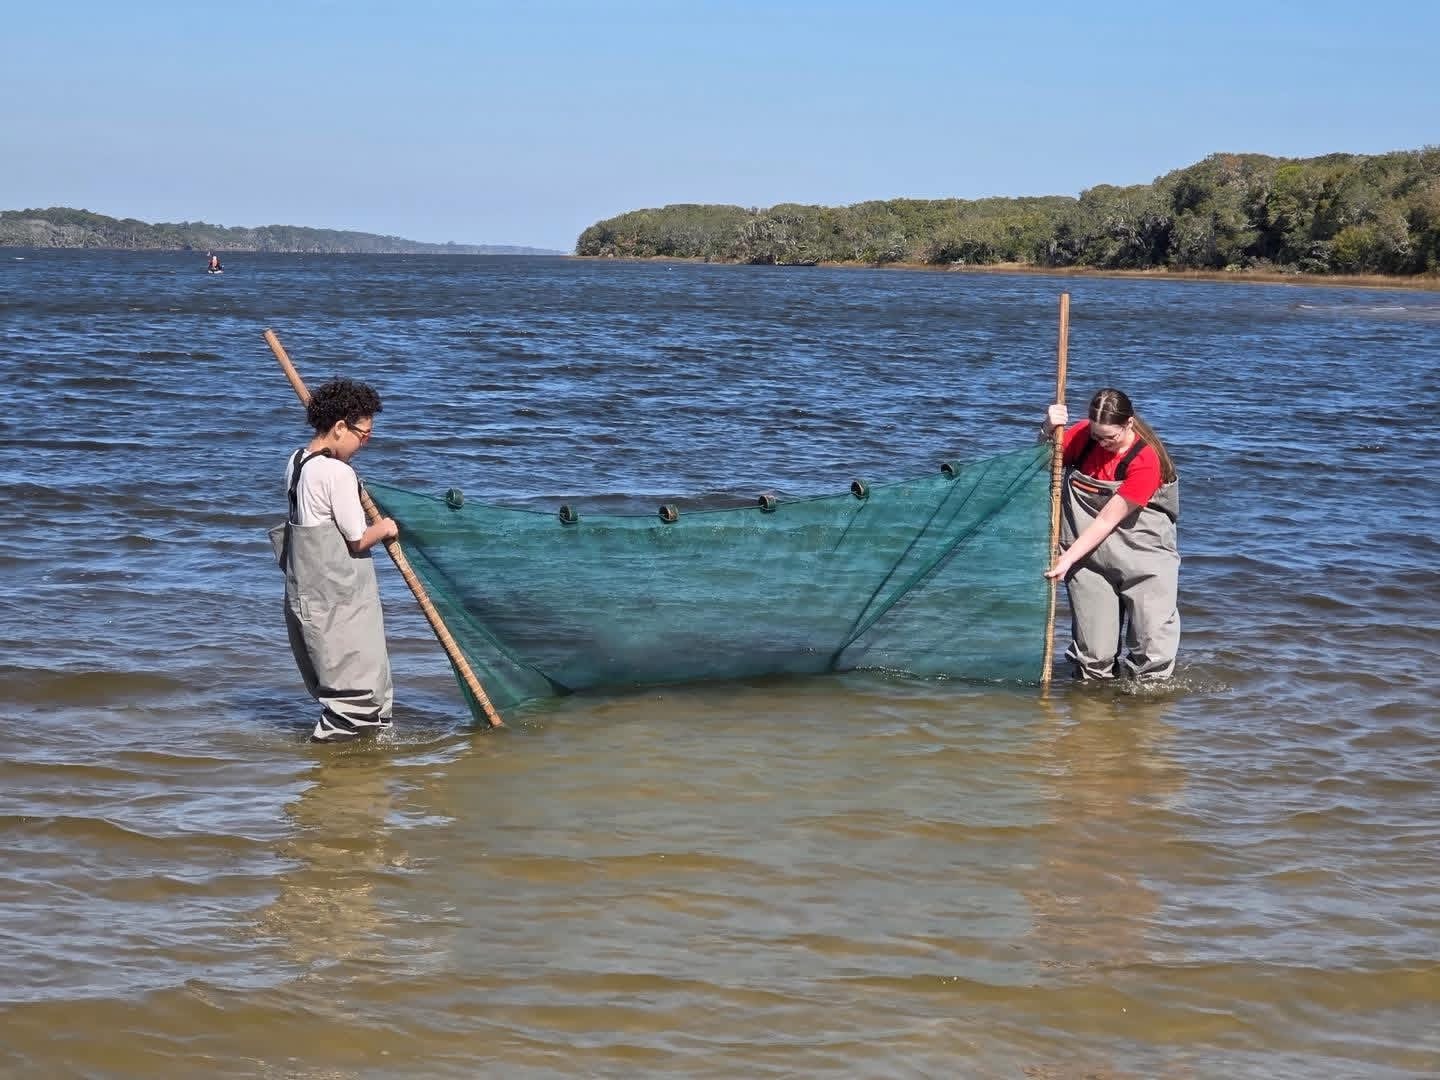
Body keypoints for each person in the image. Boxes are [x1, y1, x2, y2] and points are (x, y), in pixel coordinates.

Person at [269, 377, 400, 741]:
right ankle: (332, 772)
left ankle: (356, 775)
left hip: (306, 596)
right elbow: (358, 540)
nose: (364, 444)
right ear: (340, 427)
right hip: (337, 599)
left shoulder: (297, 462)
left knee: (349, 683)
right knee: (356, 695)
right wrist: (387, 528)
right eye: (364, 435)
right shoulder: (336, 472)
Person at [1041, 387, 1180, 680]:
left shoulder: (1146, 460)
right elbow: (1043, 463)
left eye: (1110, 437)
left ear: (1128, 424)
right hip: (1088, 559)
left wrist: (1065, 562)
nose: (1102, 443)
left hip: (1144, 559)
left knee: (1151, 653)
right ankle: (1096, 720)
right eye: (1096, 436)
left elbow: (1107, 519)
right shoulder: (1082, 435)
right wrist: (1048, 428)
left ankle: (1141, 718)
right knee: (1093, 658)